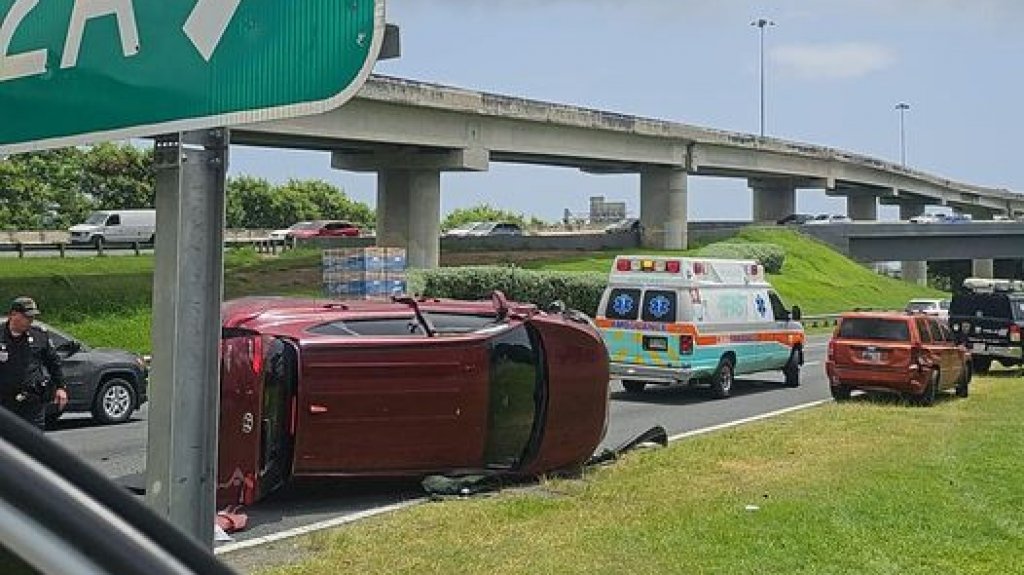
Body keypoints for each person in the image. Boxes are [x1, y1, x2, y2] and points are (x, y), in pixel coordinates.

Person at [0, 297, 68, 430]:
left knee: (33, 442)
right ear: (13, 314)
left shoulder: (39, 335)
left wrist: (61, 387)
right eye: (27, 317)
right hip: (4, 402)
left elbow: (53, 363)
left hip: (32, 401)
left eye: (33, 317)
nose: (30, 321)